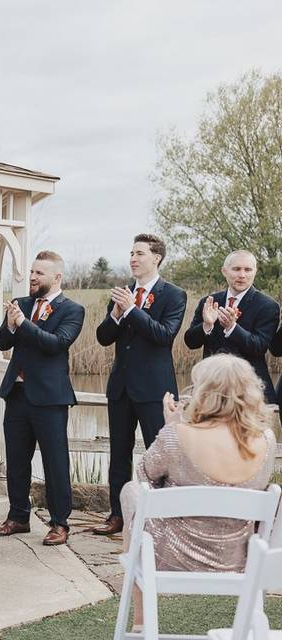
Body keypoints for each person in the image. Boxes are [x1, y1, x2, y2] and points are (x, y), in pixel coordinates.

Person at [119, 354, 276, 632]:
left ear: (206, 392)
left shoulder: (176, 435)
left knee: (130, 491)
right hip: (239, 559)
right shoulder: (266, 440)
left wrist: (171, 425)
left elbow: (145, 480)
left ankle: (141, 622)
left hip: (170, 558)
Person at [0, 251, 85, 546]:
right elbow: (1, 342)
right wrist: (12, 324)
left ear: (57, 277)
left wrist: (25, 325)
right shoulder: (21, 304)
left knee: (55, 462)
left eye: (39, 273)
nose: (32, 277)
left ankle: (59, 523)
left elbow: (55, 344)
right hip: (17, 394)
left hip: (50, 398)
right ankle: (18, 517)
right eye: (32, 272)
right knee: (16, 460)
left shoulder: (73, 310)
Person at [93, 234, 187, 536]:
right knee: (118, 454)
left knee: (159, 454)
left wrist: (133, 310)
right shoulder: (121, 294)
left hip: (154, 390)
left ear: (156, 258)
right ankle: (117, 516)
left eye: (140, 253)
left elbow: (164, 336)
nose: (133, 258)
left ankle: (161, 518)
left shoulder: (173, 295)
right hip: (120, 387)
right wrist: (118, 314)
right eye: (131, 253)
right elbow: (103, 337)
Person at [184, 250, 279, 405]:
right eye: (236, 269)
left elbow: (259, 347)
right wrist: (207, 325)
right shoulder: (208, 301)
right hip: (211, 387)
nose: (242, 275)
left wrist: (232, 328)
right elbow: (190, 342)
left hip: (250, 389)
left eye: (247, 270)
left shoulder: (268, 306)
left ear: (255, 271)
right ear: (224, 271)